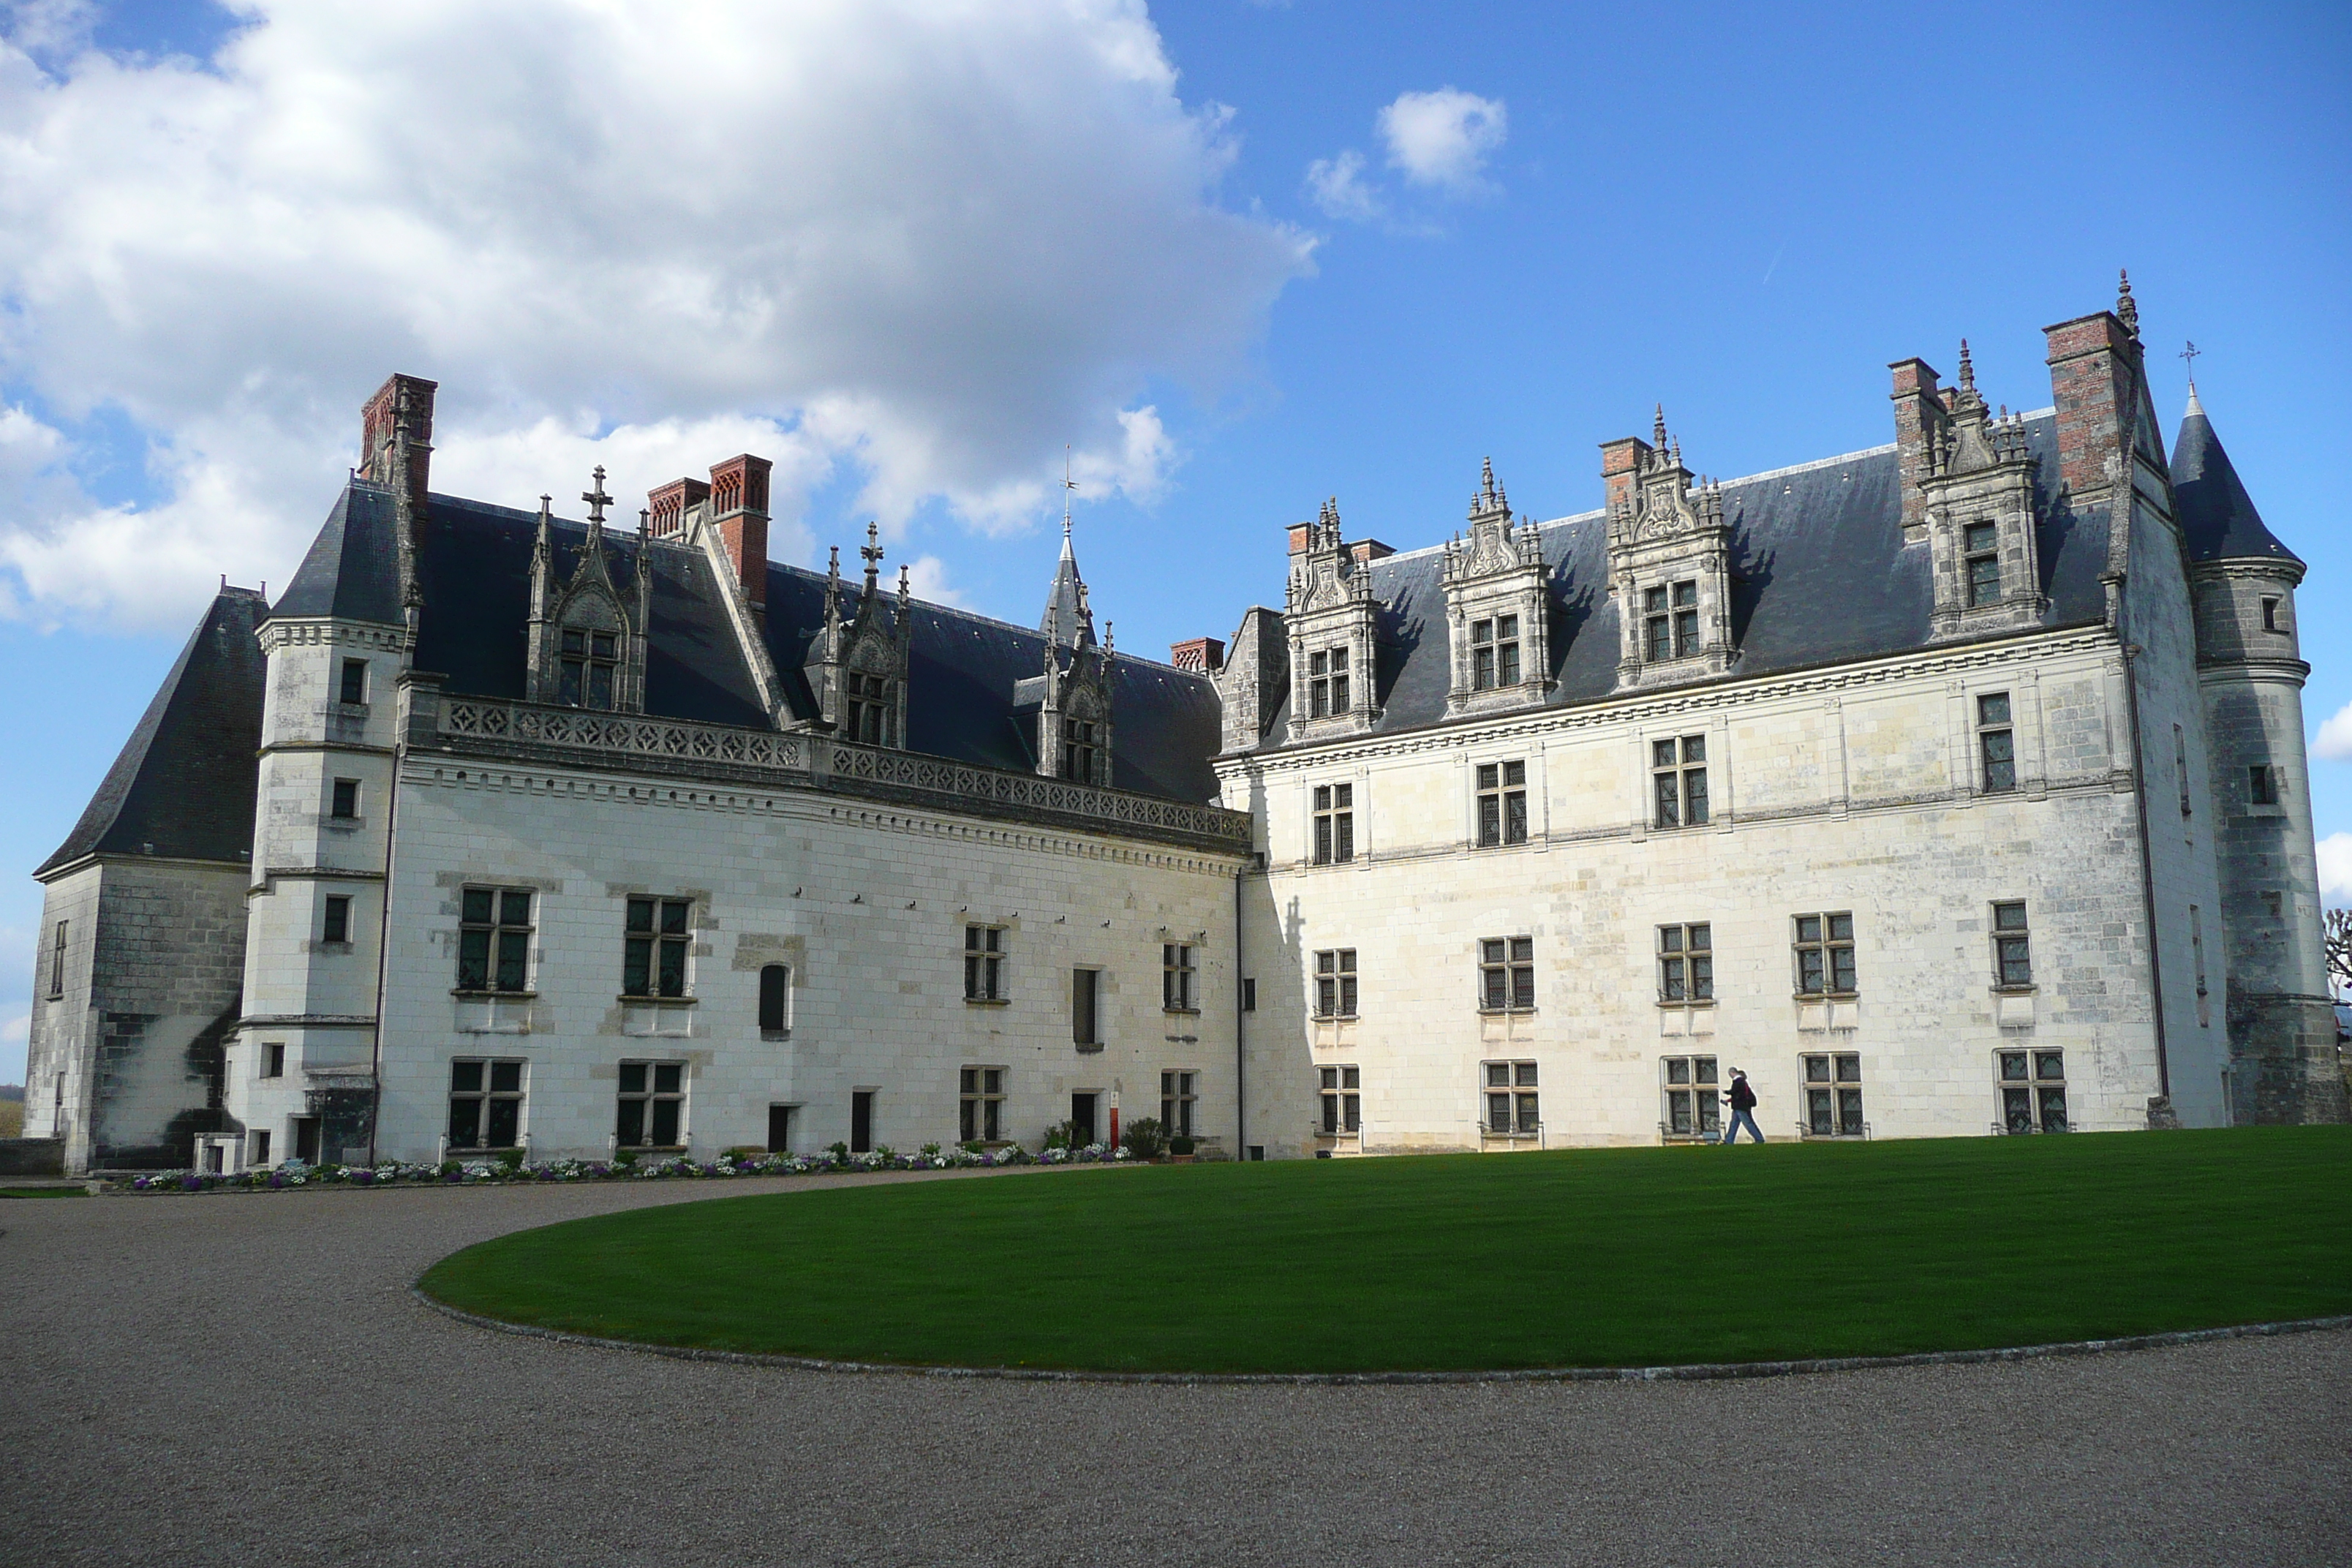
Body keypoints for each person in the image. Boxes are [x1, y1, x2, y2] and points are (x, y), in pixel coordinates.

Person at [1722, 1068, 1763, 1145]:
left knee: (1748, 1123)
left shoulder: (1738, 1081)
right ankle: (1729, 1140)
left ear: (1732, 1073)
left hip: (1740, 1107)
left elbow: (1735, 1092)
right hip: (1739, 1107)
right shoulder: (1742, 1082)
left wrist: (1727, 1092)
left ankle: (1759, 1139)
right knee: (1734, 1124)